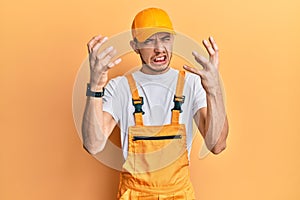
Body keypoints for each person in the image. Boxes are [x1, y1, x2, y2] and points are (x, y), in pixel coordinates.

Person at [82, 7, 229, 200]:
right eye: (149, 40)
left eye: (165, 38)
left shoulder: (192, 84)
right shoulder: (119, 87)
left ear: (173, 40)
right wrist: (95, 86)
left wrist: (214, 89)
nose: (159, 48)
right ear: (134, 45)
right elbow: (93, 145)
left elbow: (217, 145)